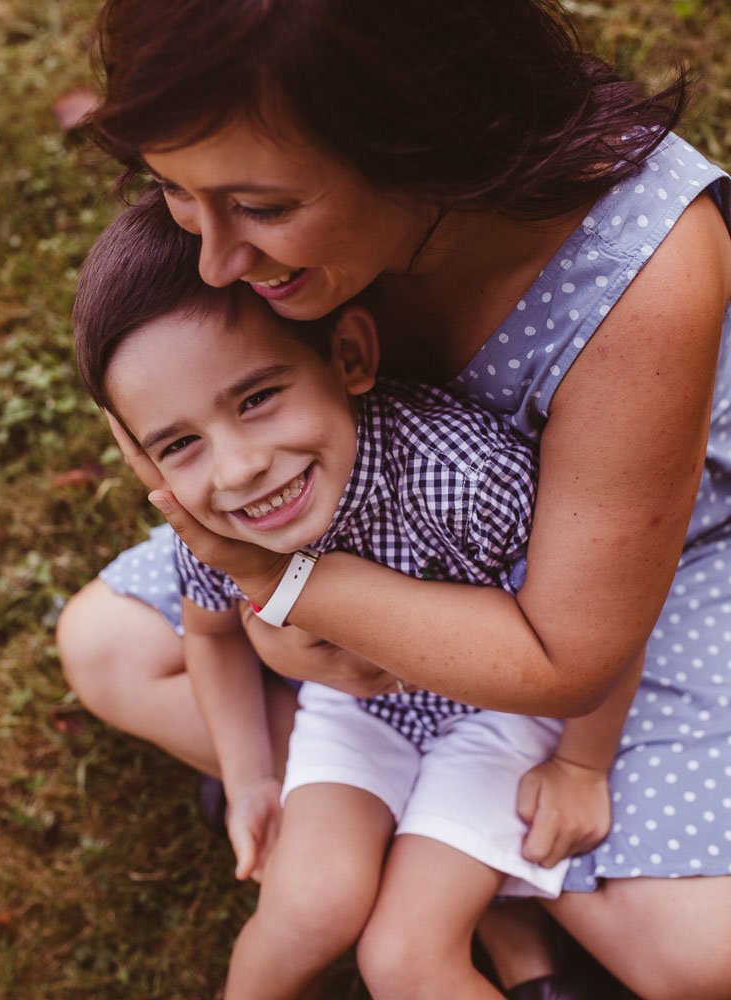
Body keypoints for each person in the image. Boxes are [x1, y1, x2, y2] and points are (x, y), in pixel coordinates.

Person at [56, 1, 731, 997]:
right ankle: (448, 855)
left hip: (615, 578)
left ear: (418, 144)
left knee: (694, 955)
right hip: (360, 511)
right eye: (171, 191)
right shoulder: (243, 211)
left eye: (261, 207)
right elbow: (154, 404)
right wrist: (272, 601)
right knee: (107, 648)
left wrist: (280, 590)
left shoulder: (643, 272)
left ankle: (415, 845)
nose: (213, 262)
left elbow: (563, 657)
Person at [72, 189, 639, 999]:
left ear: (348, 357)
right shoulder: (215, 526)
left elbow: (599, 622)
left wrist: (582, 765)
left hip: (498, 716)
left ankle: (500, 928)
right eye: (182, 443)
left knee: (404, 957)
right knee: (307, 909)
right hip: (357, 712)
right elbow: (212, 635)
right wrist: (250, 779)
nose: (239, 470)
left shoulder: (463, 476)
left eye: (257, 398)